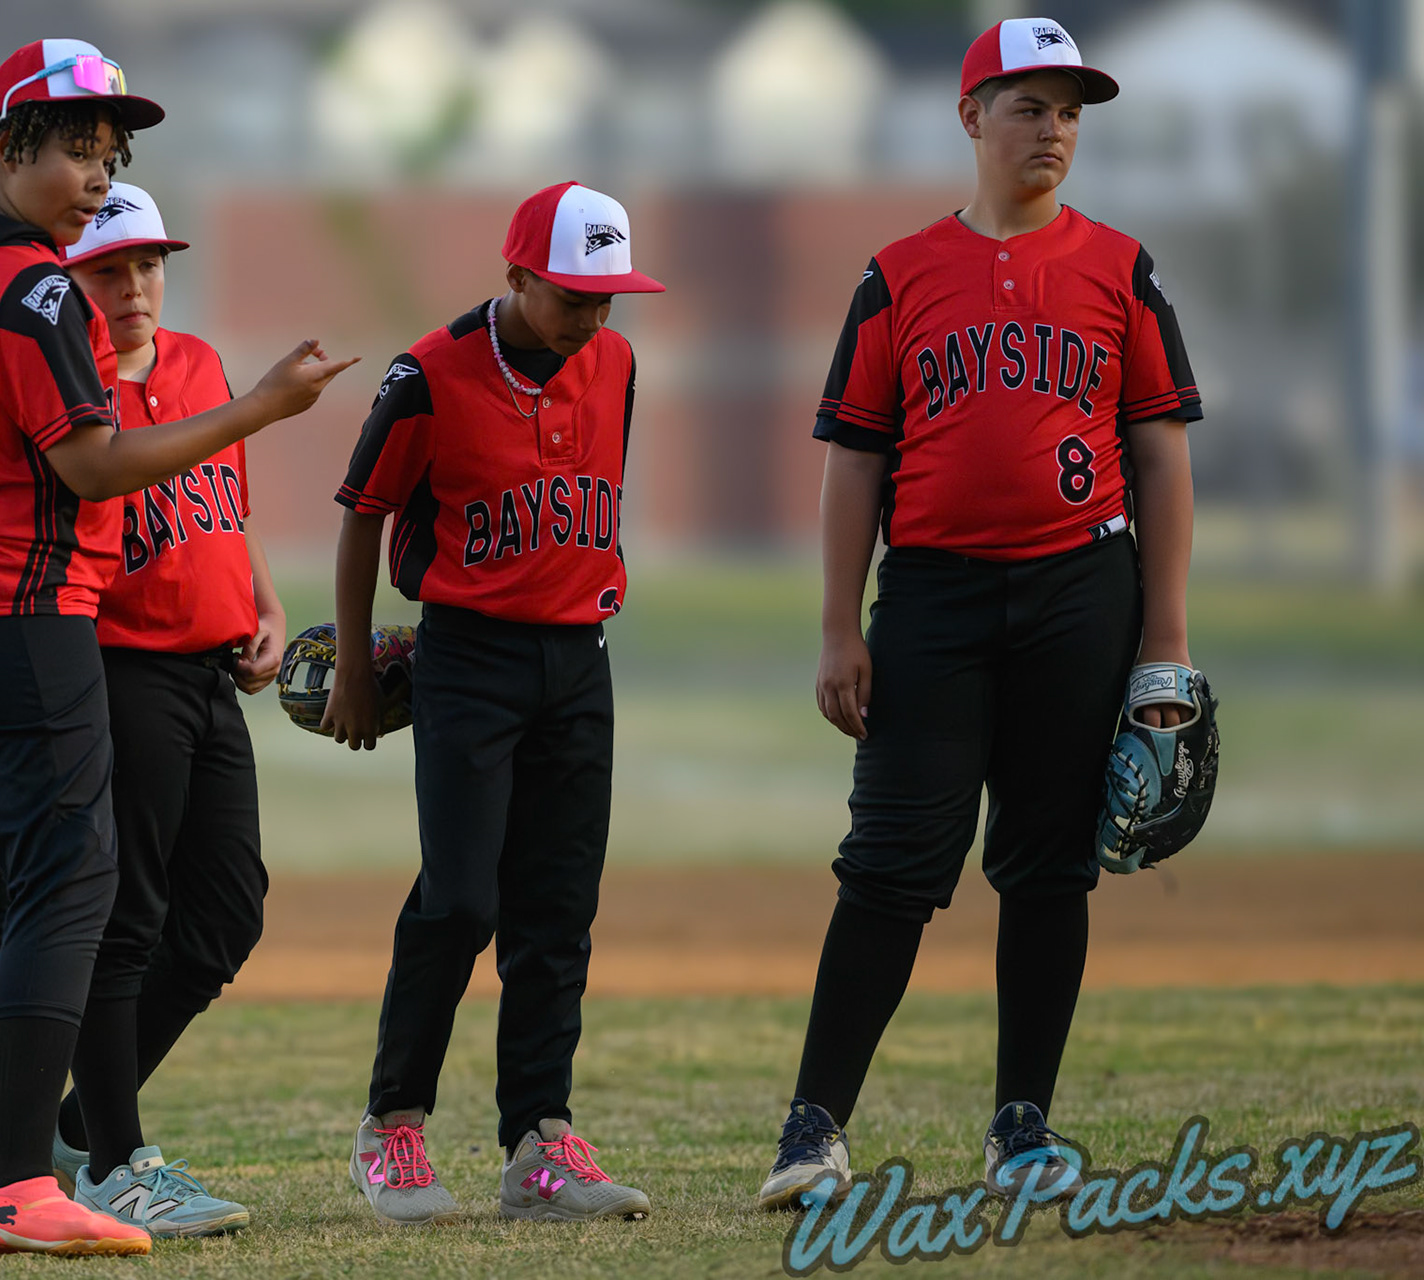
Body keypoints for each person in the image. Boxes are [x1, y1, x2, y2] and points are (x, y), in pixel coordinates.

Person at [0, 40, 355, 1255]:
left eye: (108, 151)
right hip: (23, 606)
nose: (96, 172)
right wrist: (257, 407)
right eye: (75, 144)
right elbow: (88, 464)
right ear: (8, 142)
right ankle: (22, 1182)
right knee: (69, 882)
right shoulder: (34, 287)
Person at [756, 18, 1202, 1211]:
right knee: (892, 865)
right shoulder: (899, 275)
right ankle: (812, 1127)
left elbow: (1157, 454)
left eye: (1068, 108)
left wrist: (1164, 637)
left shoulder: (1120, 264)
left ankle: (1021, 1126)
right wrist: (839, 624)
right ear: (970, 118)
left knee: (1049, 866)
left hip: (1082, 589)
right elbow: (855, 459)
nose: (1053, 127)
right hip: (936, 596)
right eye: (1029, 104)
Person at [322, 182, 665, 1226]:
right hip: (468, 659)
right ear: (514, 278)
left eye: (608, 295)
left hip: (580, 659)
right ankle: (392, 1125)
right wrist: (349, 664)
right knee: (462, 899)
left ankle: (540, 1142)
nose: (593, 316)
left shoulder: (615, 362)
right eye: (571, 295)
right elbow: (362, 516)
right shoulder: (428, 375)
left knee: (557, 909)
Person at [39, 183, 280, 1237]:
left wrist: (263, 596)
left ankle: (78, 1122)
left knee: (226, 910)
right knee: (128, 915)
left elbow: (224, 493)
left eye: (147, 263)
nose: (133, 285)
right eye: (106, 268)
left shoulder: (199, 364)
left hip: (213, 669)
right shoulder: (64, 383)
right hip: (121, 664)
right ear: (69, 282)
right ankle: (114, 1160)